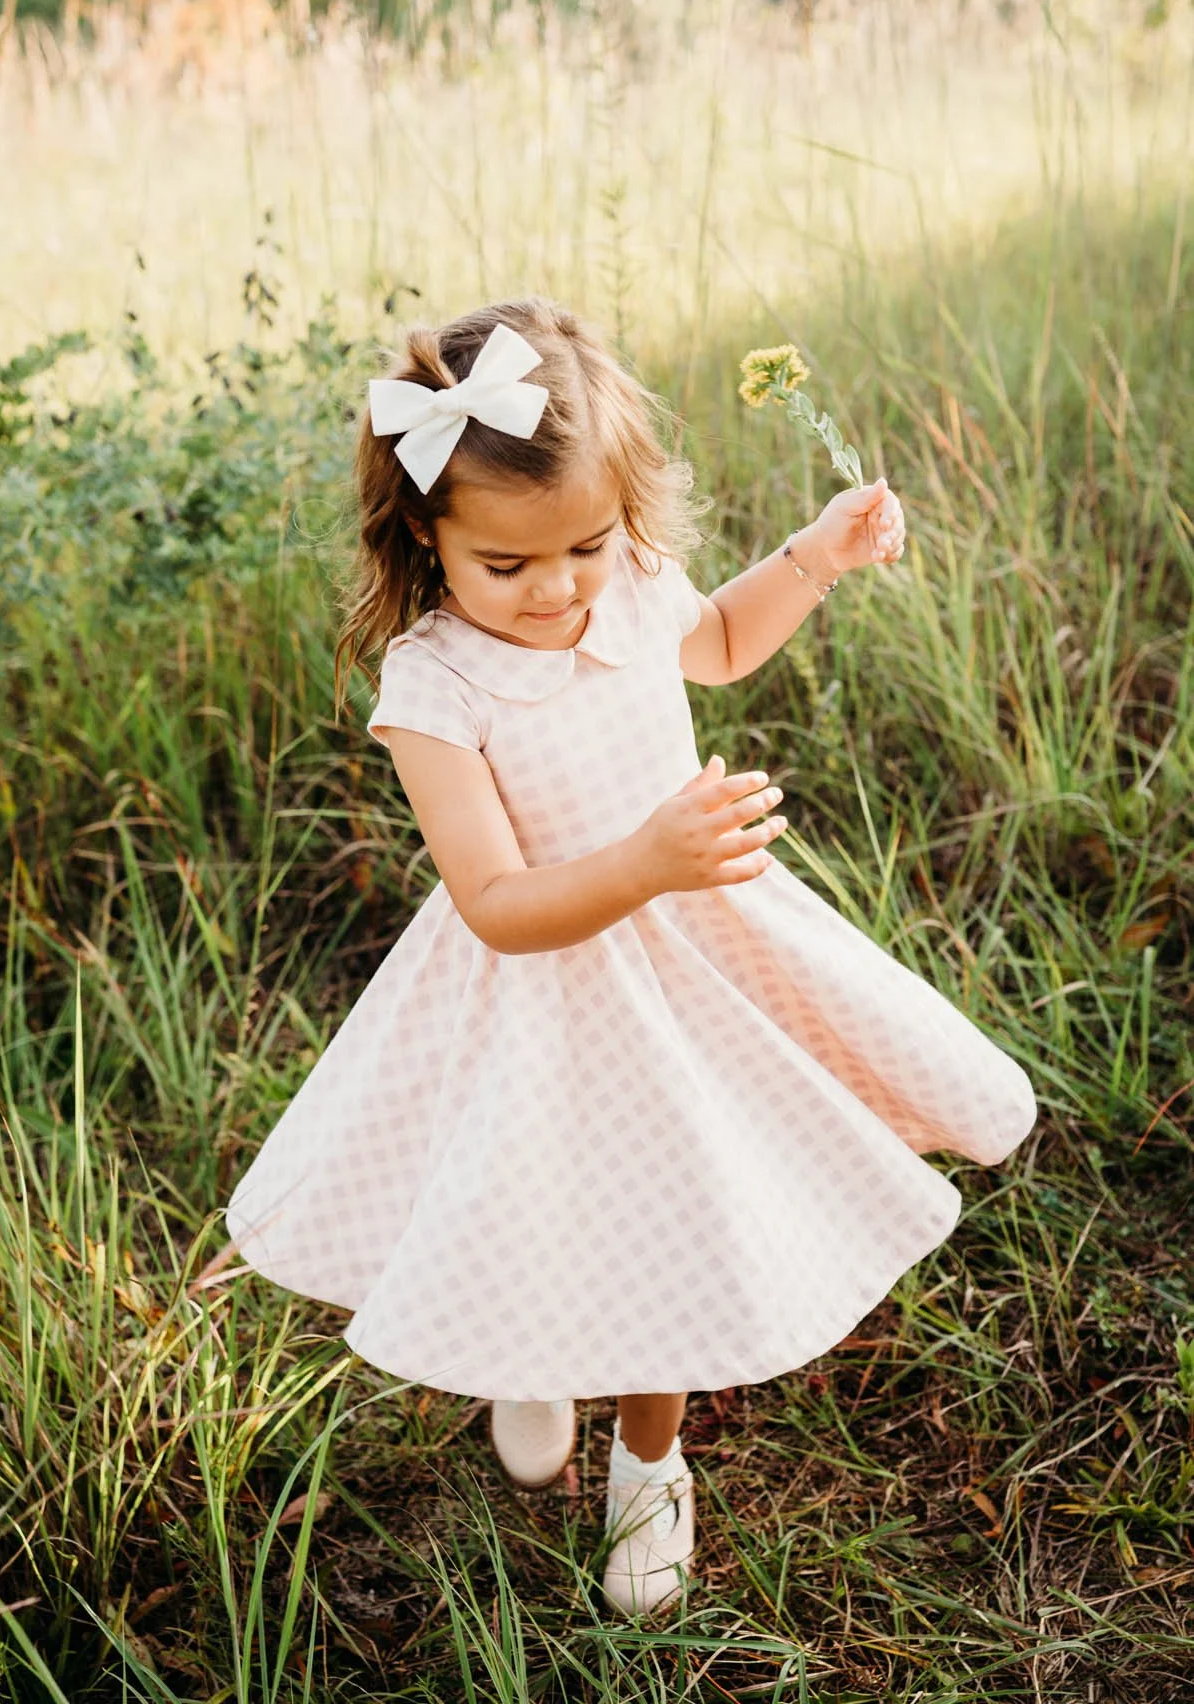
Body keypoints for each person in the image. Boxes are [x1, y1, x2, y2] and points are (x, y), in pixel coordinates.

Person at [223, 296, 1038, 1618]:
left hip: (693, 963)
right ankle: (526, 1353)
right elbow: (493, 899)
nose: (555, 590)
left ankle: (648, 1461)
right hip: (534, 981)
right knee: (529, 1193)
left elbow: (712, 642)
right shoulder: (434, 688)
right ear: (423, 538)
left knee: (672, 1214)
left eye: (586, 547)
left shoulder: (631, 589)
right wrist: (643, 861)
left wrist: (814, 556)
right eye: (508, 565)